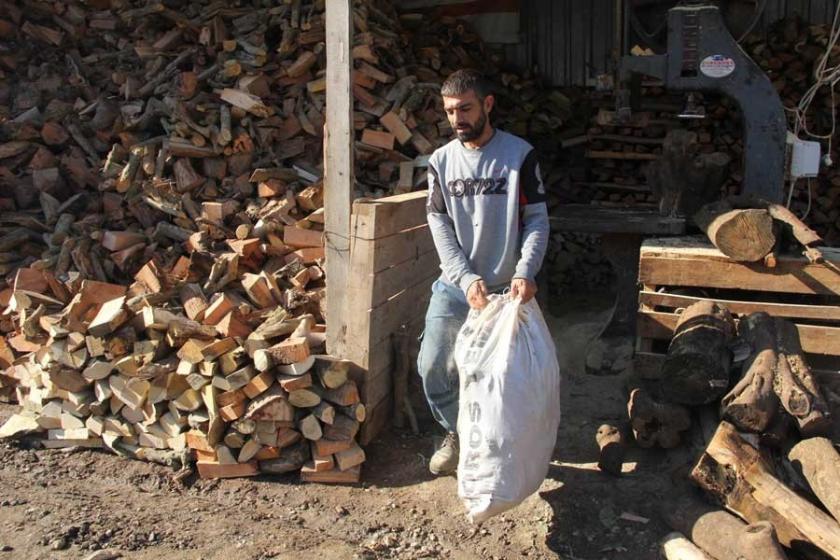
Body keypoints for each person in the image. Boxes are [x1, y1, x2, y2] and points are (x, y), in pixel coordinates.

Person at [418, 68, 550, 475]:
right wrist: (464, 277)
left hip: (506, 291)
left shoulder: (519, 155)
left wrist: (525, 271)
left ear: (487, 105)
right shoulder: (440, 162)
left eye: (465, 109)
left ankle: (502, 446)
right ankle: (456, 432)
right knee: (433, 365)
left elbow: (537, 220)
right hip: (457, 288)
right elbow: (439, 224)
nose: (457, 119)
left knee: (508, 377)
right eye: (450, 111)